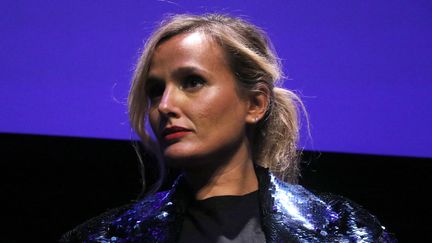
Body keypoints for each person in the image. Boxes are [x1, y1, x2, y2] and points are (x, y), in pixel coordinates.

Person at [61, 13, 396, 242]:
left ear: (255, 104)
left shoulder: (341, 231)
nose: (165, 106)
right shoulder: (107, 236)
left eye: (192, 82)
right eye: (155, 91)